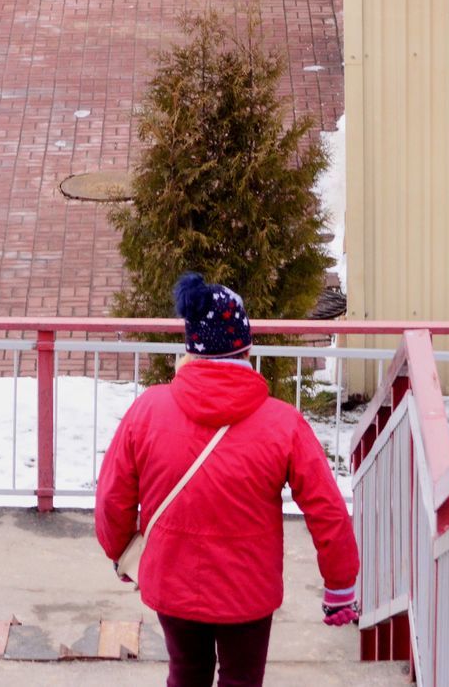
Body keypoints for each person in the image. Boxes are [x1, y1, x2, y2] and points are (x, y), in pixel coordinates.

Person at [95, 272, 360, 687]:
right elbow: (326, 507)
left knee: (186, 674)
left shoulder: (148, 410)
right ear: (246, 347)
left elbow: (113, 494)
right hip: (248, 593)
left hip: (172, 581)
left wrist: (121, 549)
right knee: (242, 679)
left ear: (190, 349)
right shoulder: (283, 424)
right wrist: (340, 584)